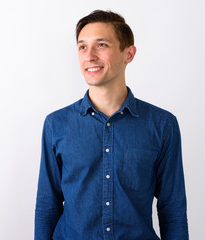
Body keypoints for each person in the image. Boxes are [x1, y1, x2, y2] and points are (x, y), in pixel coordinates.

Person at [35, 10, 188, 240]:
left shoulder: (162, 125)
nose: (89, 56)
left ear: (129, 54)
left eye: (101, 45)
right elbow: (48, 206)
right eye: (82, 47)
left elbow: (172, 209)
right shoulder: (56, 125)